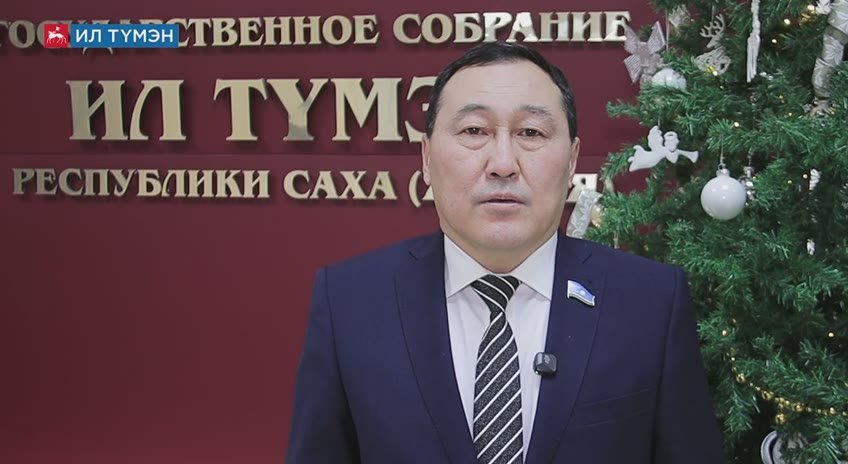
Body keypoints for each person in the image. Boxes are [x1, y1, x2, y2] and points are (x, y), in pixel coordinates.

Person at [285, 42, 725, 464]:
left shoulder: (650, 302)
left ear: (572, 160)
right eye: (474, 131)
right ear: (426, 157)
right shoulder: (350, 302)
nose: (502, 164)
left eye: (530, 132)